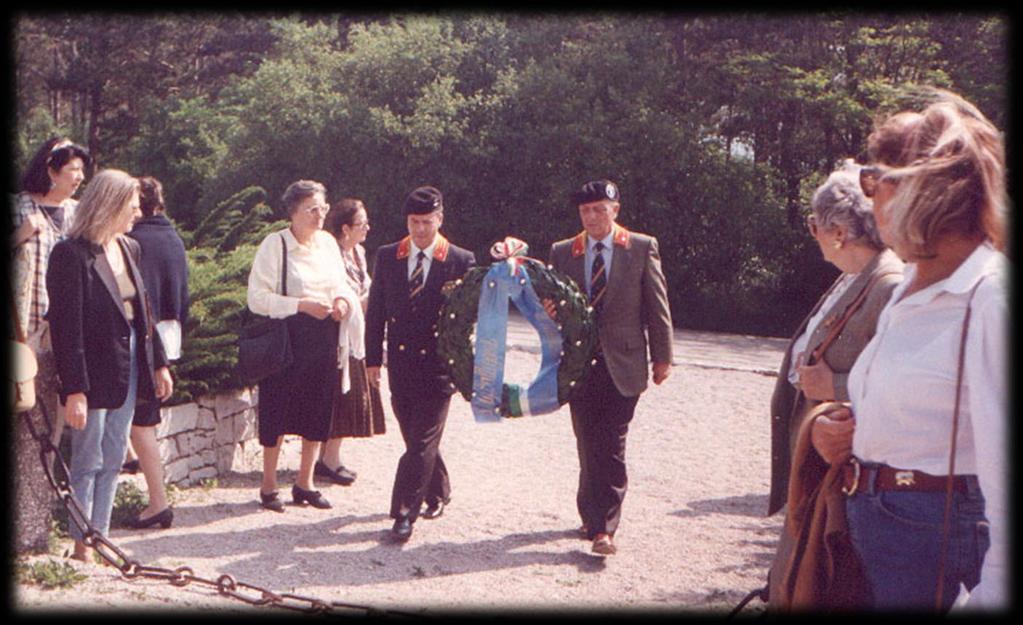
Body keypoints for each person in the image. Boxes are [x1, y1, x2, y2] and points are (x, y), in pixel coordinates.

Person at [813, 90, 1008, 611]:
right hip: (893, 528)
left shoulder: (989, 299)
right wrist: (844, 426)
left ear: (925, 191)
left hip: (942, 537)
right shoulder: (914, 283)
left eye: (873, 182)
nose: (868, 200)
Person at [45, 169, 173, 562]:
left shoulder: (129, 247)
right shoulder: (70, 254)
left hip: (130, 361)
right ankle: (82, 542)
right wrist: (75, 389)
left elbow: (144, 313)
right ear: (111, 205)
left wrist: (159, 364)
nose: (136, 214)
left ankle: (100, 536)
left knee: (115, 453)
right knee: (88, 456)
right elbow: (68, 329)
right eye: (132, 207)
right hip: (92, 365)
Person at [766, 161, 905, 517]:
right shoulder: (852, 276)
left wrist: (836, 385)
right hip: (818, 458)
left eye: (814, 225)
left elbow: (902, 385)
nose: (813, 234)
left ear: (839, 231)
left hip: (846, 469)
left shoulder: (887, 285)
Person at [546, 179, 673, 556]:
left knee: (612, 444)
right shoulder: (564, 251)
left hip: (624, 362)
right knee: (587, 442)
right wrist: (549, 309)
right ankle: (590, 515)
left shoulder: (639, 247)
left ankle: (605, 529)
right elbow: (551, 303)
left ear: (615, 210)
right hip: (580, 363)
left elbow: (657, 305)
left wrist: (662, 356)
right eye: (586, 210)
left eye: (600, 209)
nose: (593, 216)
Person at [366, 186, 476, 542]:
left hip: (439, 367)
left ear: (440, 219)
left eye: (428, 222)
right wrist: (372, 360)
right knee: (417, 439)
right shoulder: (387, 256)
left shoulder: (460, 260)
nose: (421, 230)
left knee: (421, 443)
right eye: (415, 222)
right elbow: (376, 313)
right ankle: (438, 488)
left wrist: (465, 366)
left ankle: (403, 515)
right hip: (400, 363)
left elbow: (469, 318)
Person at [246, 180, 358, 513]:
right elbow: (257, 298)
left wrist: (341, 302)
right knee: (277, 410)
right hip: (286, 339)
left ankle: (304, 483)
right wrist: (300, 305)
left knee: (317, 410)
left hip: (323, 337)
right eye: (312, 209)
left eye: (323, 208)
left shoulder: (326, 243)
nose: (320, 215)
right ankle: (268, 486)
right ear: (293, 211)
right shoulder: (274, 245)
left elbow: (342, 283)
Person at [12, 137, 93, 447]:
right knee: (24, 398)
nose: (79, 177)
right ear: (51, 170)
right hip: (25, 325)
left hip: (69, 322)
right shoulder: (19, 206)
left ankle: (53, 465)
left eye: (81, 170)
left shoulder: (79, 212)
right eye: (73, 169)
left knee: (61, 400)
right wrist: (20, 235)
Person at [122, 176, 190, 529]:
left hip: (146, 338)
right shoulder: (173, 238)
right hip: (171, 331)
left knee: (140, 420)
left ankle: (158, 503)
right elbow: (183, 297)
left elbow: (138, 303)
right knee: (139, 417)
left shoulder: (133, 241)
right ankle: (129, 459)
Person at [316, 198, 386, 486]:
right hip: (338, 336)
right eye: (361, 224)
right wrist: (367, 300)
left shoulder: (358, 252)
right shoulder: (331, 254)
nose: (367, 228)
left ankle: (329, 457)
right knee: (341, 396)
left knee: (349, 395)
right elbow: (337, 293)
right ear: (345, 228)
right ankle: (328, 460)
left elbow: (365, 286)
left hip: (357, 333)